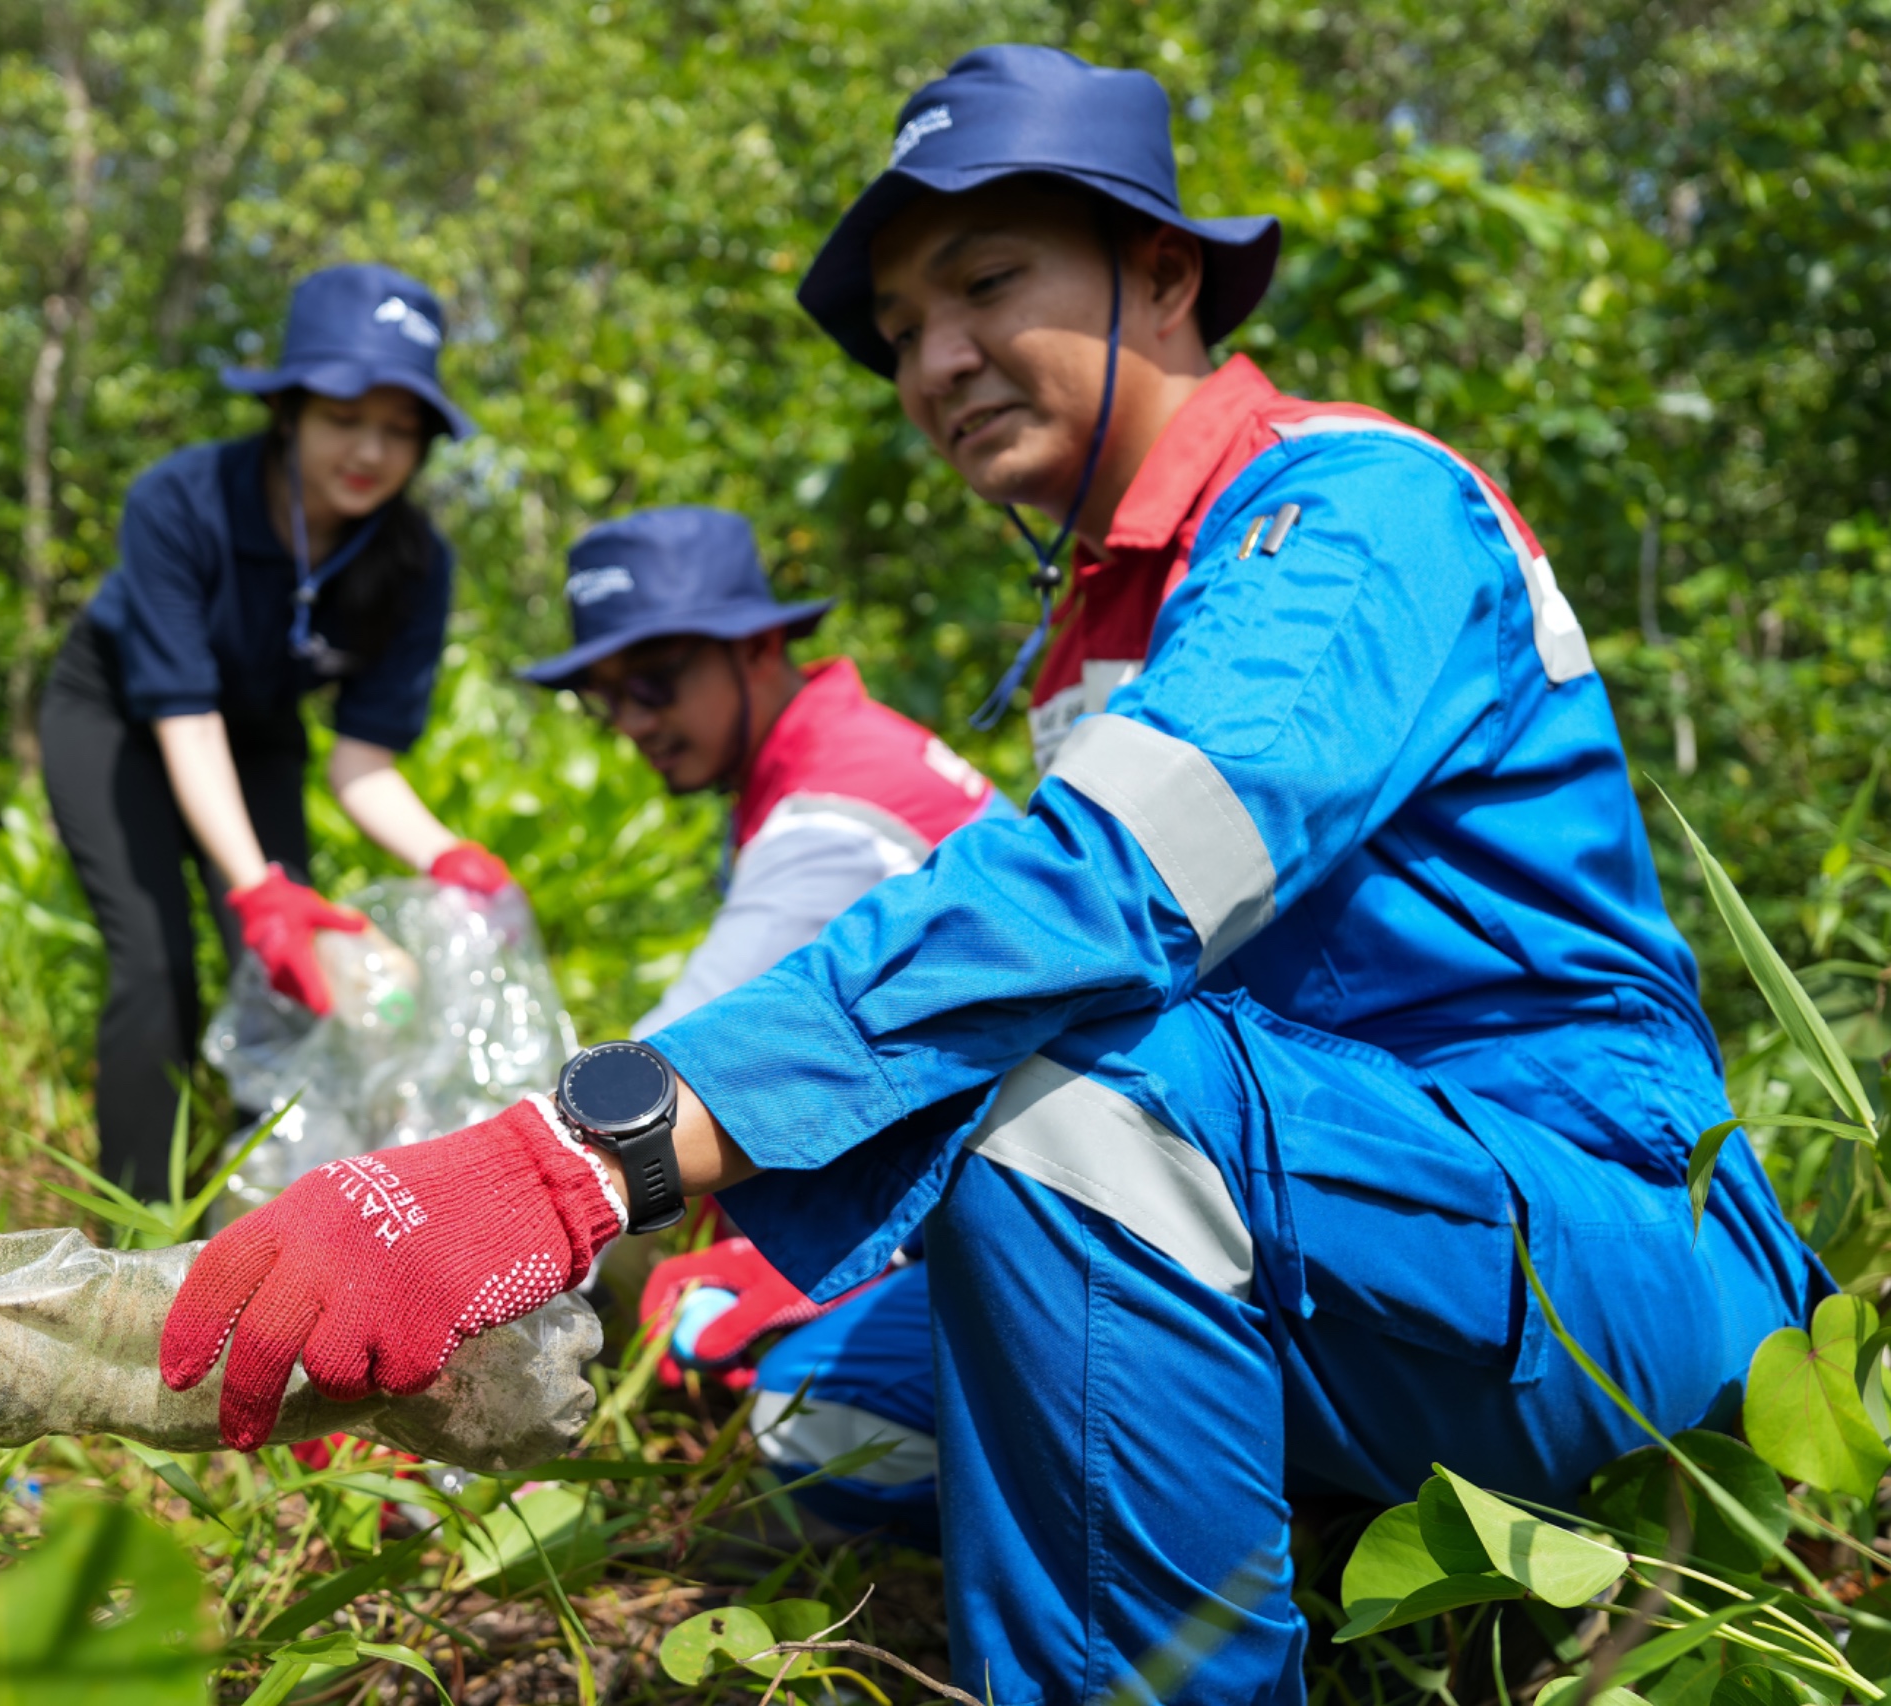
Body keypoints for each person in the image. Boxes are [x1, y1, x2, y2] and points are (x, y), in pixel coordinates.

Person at [157, 49, 1828, 1701]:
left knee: (1070, 1111)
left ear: (1163, 273)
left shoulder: (1351, 512)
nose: (937, 360)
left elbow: (1108, 887)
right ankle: (1302, 1535)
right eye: (900, 335)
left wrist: (571, 1165)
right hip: (1335, 1216)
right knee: (829, 1415)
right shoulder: (1098, 622)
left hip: (1598, 1237)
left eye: (986, 285)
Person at [521, 506, 1007, 1552]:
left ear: (756, 645)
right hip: (989, 1177)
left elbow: (648, 1081)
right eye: (602, 697)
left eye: (653, 679)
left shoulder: (836, 817)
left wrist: (419, 1231)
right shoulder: (822, 760)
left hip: (1051, 1213)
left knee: (818, 1418)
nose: (632, 719)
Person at [41, 263, 514, 1195]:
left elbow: (363, 765)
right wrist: (259, 887)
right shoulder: (181, 502)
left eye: (399, 428)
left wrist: (452, 858)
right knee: (157, 964)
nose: (370, 451)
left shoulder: (415, 563)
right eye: (345, 418)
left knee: (291, 975)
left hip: (257, 738)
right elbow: (184, 713)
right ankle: (141, 1229)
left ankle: (284, 1211)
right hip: (119, 718)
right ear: (290, 410)